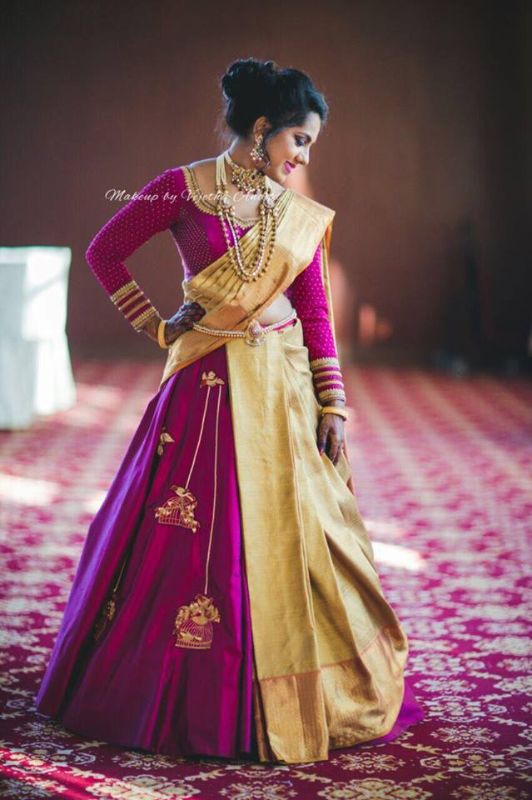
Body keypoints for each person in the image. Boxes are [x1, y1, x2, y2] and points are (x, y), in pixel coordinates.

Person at [34, 57, 425, 764]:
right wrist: (158, 326)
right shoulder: (184, 189)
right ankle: (178, 693)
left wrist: (332, 404)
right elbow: (105, 250)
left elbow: (313, 307)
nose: (303, 157)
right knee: (194, 538)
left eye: (311, 147)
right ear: (262, 128)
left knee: (297, 532)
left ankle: (290, 687)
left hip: (281, 388)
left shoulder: (294, 214)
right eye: (299, 141)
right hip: (205, 386)